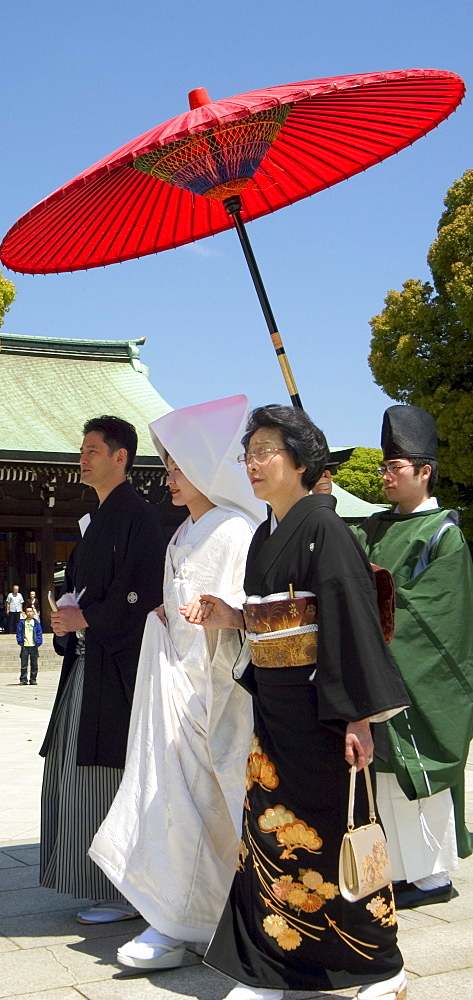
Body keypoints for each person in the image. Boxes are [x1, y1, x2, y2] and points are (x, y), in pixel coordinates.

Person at [195, 405, 410, 1000]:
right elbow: (273, 620)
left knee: (342, 832)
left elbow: (350, 621)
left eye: (264, 450)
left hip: (325, 715)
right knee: (267, 839)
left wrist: (358, 717)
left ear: (301, 459)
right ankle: (274, 967)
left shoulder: (326, 527)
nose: (252, 463)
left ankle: (380, 965)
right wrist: (233, 616)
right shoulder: (266, 533)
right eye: (249, 453)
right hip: (276, 715)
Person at [90, 396, 265, 970]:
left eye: (178, 466)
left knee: (213, 806)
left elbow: (246, 613)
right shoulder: (181, 533)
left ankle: (208, 917)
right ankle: (173, 916)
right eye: (166, 466)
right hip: (174, 682)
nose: (168, 477)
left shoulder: (237, 529)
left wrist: (220, 616)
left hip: (216, 691)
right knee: (167, 798)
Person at [40, 415, 166, 923]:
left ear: (121, 457)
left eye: (93, 449)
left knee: (106, 773)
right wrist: (67, 617)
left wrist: (87, 616)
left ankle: (123, 889)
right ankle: (86, 877)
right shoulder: (95, 522)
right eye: (82, 448)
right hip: (87, 669)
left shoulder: (140, 517)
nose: (83, 457)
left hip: (118, 673)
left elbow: (143, 596)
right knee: (67, 771)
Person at [349, 405, 473, 910]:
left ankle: (432, 875)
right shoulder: (373, 527)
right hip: (380, 665)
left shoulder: (446, 533)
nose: (385, 475)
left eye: (395, 467)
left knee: (413, 773)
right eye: (383, 466)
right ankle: (399, 871)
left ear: (425, 471)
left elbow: (440, 613)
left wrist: (379, 596)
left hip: (419, 675)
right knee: (381, 775)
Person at [16, 604, 43, 684]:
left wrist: (38, 642)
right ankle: (23, 679)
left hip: (34, 646)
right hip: (25, 646)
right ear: (25, 613)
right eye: (27, 611)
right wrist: (20, 642)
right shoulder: (22, 623)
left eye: (31, 611)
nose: (29, 613)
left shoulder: (36, 623)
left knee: (34, 665)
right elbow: (19, 633)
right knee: (24, 665)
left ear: (33, 612)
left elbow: (39, 633)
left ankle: (33, 679)